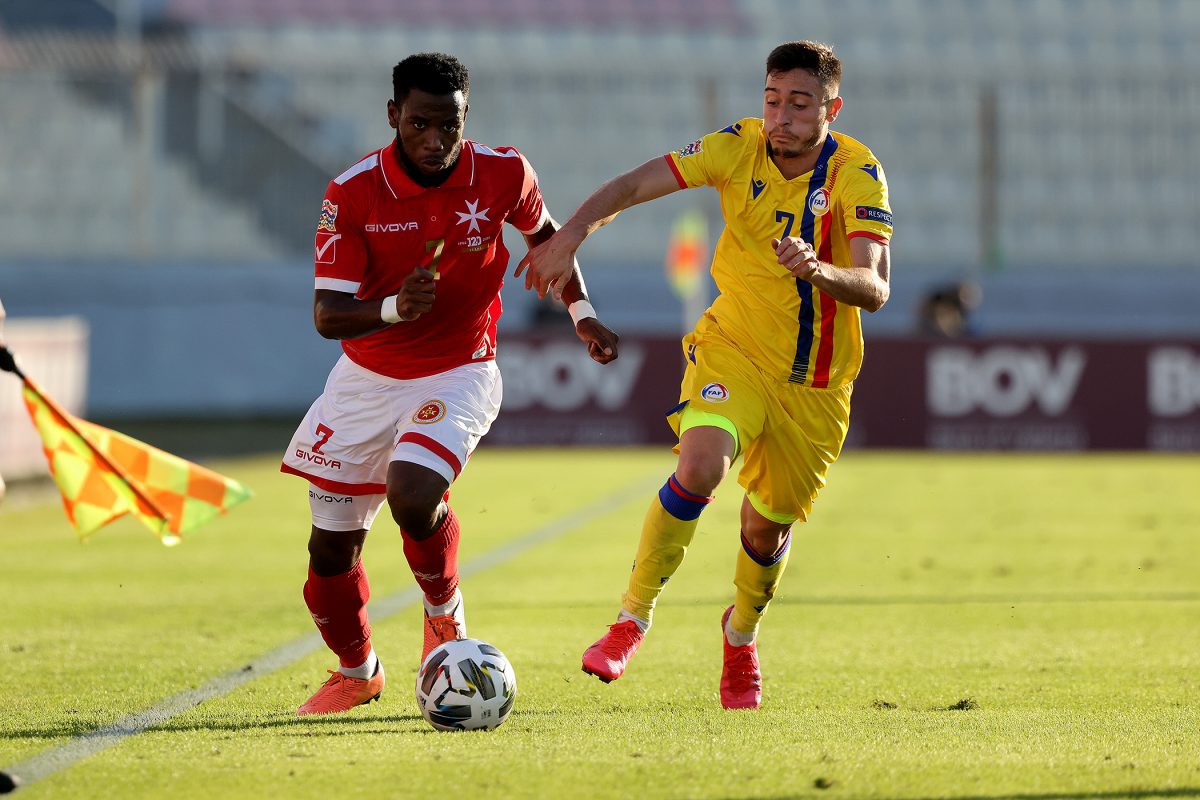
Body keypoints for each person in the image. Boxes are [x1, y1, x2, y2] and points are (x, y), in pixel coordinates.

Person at [517, 41, 892, 709]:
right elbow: (634, 185)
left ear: (831, 109)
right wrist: (571, 233)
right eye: (772, 100)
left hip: (815, 382)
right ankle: (631, 619)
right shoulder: (735, 147)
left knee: (766, 529)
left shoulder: (858, 173)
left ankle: (740, 635)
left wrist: (817, 269)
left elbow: (875, 287)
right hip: (733, 348)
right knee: (699, 467)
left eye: (799, 104)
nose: (781, 117)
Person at [280, 53, 619, 716]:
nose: (435, 140)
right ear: (393, 116)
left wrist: (583, 313)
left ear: (467, 117)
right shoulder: (351, 193)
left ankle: (444, 612)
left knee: (412, 494)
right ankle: (358, 672)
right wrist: (392, 309)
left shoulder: (503, 172)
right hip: (365, 379)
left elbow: (548, 240)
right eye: (420, 124)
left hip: (460, 368)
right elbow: (327, 315)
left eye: (449, 125)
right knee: (329, 553)